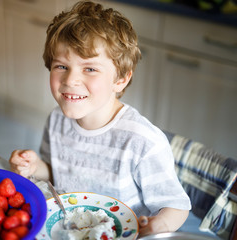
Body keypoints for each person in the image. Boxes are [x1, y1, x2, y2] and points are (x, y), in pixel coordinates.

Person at [10, 1, 191, 237]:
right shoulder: (56, 119)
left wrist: (157, 226)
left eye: (90, 69)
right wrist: (35, 167)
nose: (70, 80)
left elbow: (177, 205)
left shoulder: (142, 141)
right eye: (62, 66)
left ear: (121, 79)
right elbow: (58, 173)